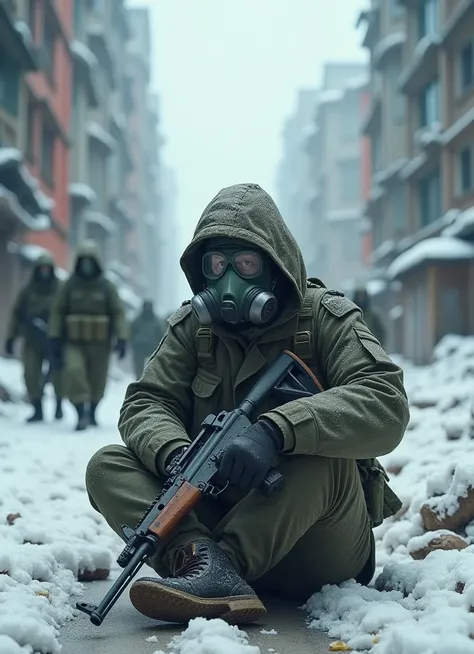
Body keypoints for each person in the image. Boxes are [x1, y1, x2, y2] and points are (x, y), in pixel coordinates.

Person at [86, 183, 409, 625]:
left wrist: (277, 431)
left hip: (316, 548)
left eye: (245, 263)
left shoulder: (324, 318)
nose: (229, 278)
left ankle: (224, 569)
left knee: (322, 456)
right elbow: (147, 401)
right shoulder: (192, 329)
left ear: (274, 266)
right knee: (107, 465)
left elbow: (385, 403)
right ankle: (202, 562)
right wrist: (175, 455)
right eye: (217, 264)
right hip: (215, 517)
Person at [48, 239, 127, 431]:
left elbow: (118, 312)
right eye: (83, 260)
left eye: (90, 261)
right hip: (74, 342)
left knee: (97, 380)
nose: (87, 265)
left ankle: (92, 410)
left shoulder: (107, 287)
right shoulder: (69, 285)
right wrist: (54, 336)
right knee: (74, 373)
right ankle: (80, 413)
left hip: (100, 344)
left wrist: (122, 337)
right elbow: (58, 310)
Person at [4, 252, 63, 423]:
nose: (44, 271)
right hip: (32, 340)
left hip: (53, 340)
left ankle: (59, 405)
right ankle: (37, 409)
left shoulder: (60, 288)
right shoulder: (28, 289)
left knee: (58, 376)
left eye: (47, 268)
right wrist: (11, 337)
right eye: (41, 268)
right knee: (30, 375)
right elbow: (17, 314)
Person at [130, 300, 164, 378]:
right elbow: (132, 333)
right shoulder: (138, 320)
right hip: (140, 347)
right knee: (139, 370)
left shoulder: (156, 320)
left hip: (152, 347)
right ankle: (139, 382)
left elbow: (161, 335)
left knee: (154, 368)